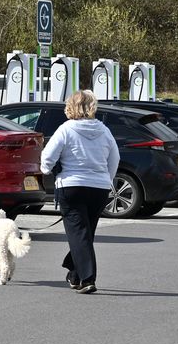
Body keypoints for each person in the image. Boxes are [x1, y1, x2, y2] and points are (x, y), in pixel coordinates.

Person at [41, 89, 120, 294]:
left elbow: (48, 157)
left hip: (72, 185)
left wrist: (47, 170)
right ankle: (75, 275)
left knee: (79, 234)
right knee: (86, 233)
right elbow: (115, 158)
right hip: (99, 188)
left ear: (71, 106)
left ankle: (87, 279)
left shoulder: (66, 129)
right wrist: (107, 179)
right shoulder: (104, 130)